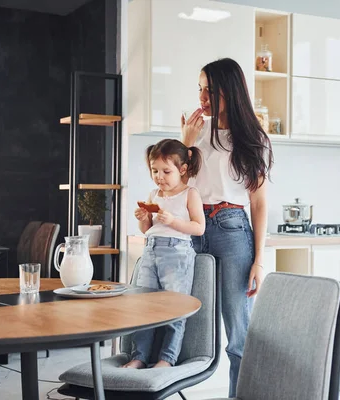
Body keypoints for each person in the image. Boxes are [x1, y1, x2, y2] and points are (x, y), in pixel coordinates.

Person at [181, 58, 273, 396]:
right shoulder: (196, 131)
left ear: (228, 92)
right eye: (200, 89)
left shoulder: (250, 137)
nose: (203, 97)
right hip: (194, 226)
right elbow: (181, 186)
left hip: (232, 228)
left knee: (238, 328)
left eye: (210, 90)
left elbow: (258, 202)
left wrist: (259, 260)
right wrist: (186, 144)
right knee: (188, 321)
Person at [123, 138, 205, 369]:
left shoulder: (190, 194)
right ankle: (139, 357)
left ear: (182, 170)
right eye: (155, 171)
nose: (159, 176)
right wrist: (144, 219)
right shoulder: (153, 194)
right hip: (150, 250)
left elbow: (199, 228)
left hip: (177, 253)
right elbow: (147, 230)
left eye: (166, 171)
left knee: (175, 307)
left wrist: (174, 221)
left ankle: (166, 359)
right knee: (143, 306)